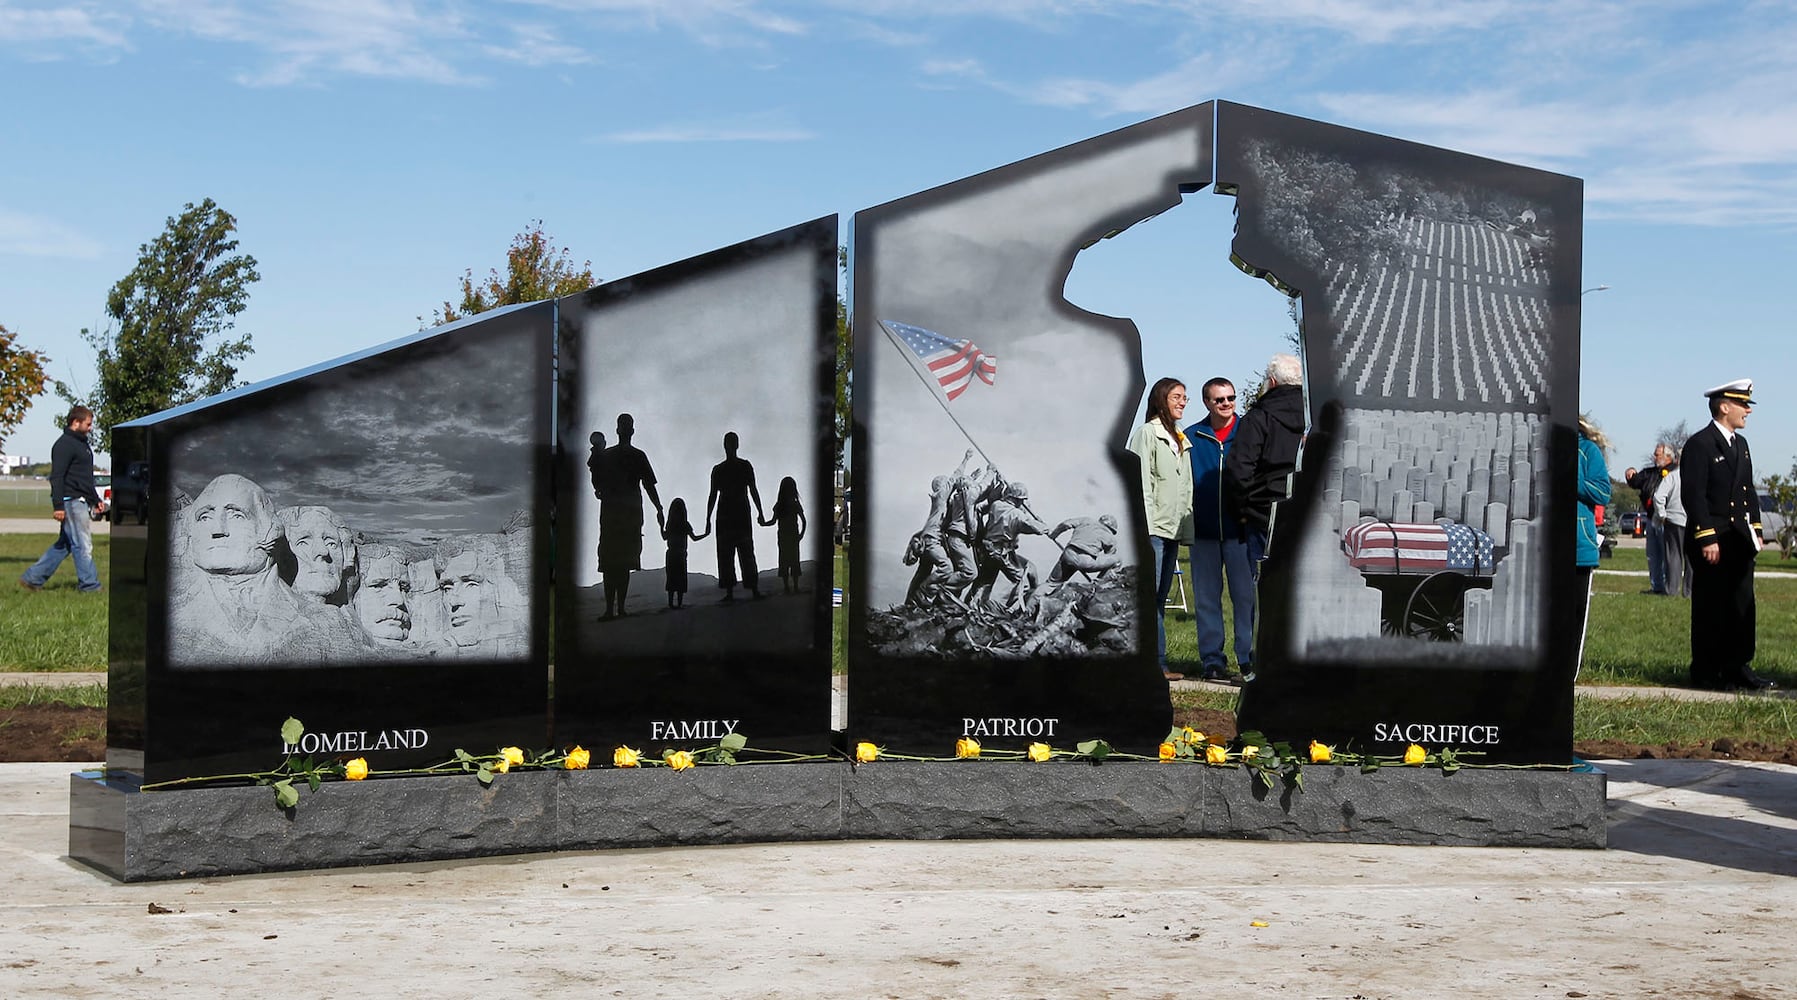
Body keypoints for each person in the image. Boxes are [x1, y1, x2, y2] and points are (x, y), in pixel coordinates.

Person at [1680, 379, 1773, 691]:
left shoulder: (1741, 446)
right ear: (1724, 407)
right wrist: (1707, 537)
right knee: (1711, 607)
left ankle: (1737, 666)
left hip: (1738, 540)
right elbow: (1694, 496)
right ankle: (1707, 671)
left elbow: (1748, 493)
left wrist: (1756, 533)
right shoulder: (1700, 444)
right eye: (1743, 404)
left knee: (1742, 604)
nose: (1748, 410)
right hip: (1714, 539)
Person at [1185, 376, 1254, 684]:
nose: (1227, 404)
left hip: (1242, 533)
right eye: (1219, 400)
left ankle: (1248, 659)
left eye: (1231, 398)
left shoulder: (1251, 434)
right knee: (1207, 599)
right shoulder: (1191, 437)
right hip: (1203, 532)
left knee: (1245, 598)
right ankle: (1212, 661)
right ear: (1207, 403)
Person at [1127, 377, 1193, 681]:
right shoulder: (1147, 434)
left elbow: (1184, 490)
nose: (1182, 402)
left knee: (1159, 598)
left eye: (1184, 398)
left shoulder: (1180, 438)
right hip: (1153, 529)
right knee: (1147, 596)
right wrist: (1146, 528)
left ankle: (1157, 661)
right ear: (1161, 400)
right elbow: (1140, 484)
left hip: (1172, 530)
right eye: (1176, 397)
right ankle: (1151, 663)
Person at [1223, 354, 1306, 571]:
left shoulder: (1258, 417)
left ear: (1272, 382)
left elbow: (1239, 469)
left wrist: (1242, 510)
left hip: (1264, 513)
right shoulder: (1315, 417)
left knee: (1264, 583)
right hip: (1310, 510)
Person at [19, 405, 107, 594]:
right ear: (76, 422)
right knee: (83, 544)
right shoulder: (64, 445)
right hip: (71, 501)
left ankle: (32, 578)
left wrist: (95, 499)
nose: (91, 428)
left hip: (81, 498)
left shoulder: (82, 444)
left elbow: (84, 478)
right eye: (88, 424)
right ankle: (90, 585)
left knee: (65, 544)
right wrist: (58, 505)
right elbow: (57, 477)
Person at [595, 414, 663, 619]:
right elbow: (649, 485)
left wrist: (659, 507)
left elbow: (597, 482)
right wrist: (659, 507)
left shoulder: (607, 455)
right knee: (621, 561)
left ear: (618, 430)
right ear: (631, 431)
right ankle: (619, 607)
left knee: (612, 561)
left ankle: (611, 608)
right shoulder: (636, 455)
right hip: (627, 513)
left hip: (614, 513)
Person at [1573, 417, 1613, 680]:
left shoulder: (1587, 450)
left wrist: (1572, 477)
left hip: (1578, 546)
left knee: (1574, 615)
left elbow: (1602, 492)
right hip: (1540, 547)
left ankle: (1569, 671)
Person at [706, 431, 766, 601]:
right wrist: (760, 512)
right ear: (737, 445)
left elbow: (712, 496)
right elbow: (753, 490)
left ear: (725, 446)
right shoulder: (744, 466)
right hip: (740, 512)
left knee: (727, 553)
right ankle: (752, 589)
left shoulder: (719, 470)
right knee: (745, 551)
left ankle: (731, 591)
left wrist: (708, 519)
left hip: (726, 513)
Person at [1625, 443, 1675, 594]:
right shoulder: (1650, 473)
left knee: (1667, 555)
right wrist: (1630, 473)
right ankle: (1657, 586)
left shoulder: (1675, 473)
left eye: (1657, 454)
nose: (1654, 457)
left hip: (1667, 518)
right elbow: (1636, 481)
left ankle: (1669, 586)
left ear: (1668, 456)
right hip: (1651, 517)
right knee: (1653, 555)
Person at [1651, 455, 1691, 599]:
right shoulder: (1698, 476)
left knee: (1673, 556)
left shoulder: (1673, 476)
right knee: (1692, 559)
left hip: (1674, 520)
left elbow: (1658, 496)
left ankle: (1671, 590)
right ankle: (1689, 592)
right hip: (1692, 521)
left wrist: (1662, 514)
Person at [659, 497, 707, 608]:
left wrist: (661, 526)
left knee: (672, 578)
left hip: (672, 553)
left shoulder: (670, 524)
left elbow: (664, 537)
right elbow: (694, 538)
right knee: (680, 578)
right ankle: (679, 603)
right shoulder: (685, 524)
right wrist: (705, 534)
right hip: (681, 554)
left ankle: (671, 603)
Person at [762, 476, 807, 594]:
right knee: (794, 560)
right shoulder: (795, 504)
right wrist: (801, 534)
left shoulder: (780, 505)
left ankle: (787, 587)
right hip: (792, 536)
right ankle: (795, 587)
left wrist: (763, 524)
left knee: (784, 560)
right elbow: (804, 521)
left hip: (784, 536)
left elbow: (773, 521)